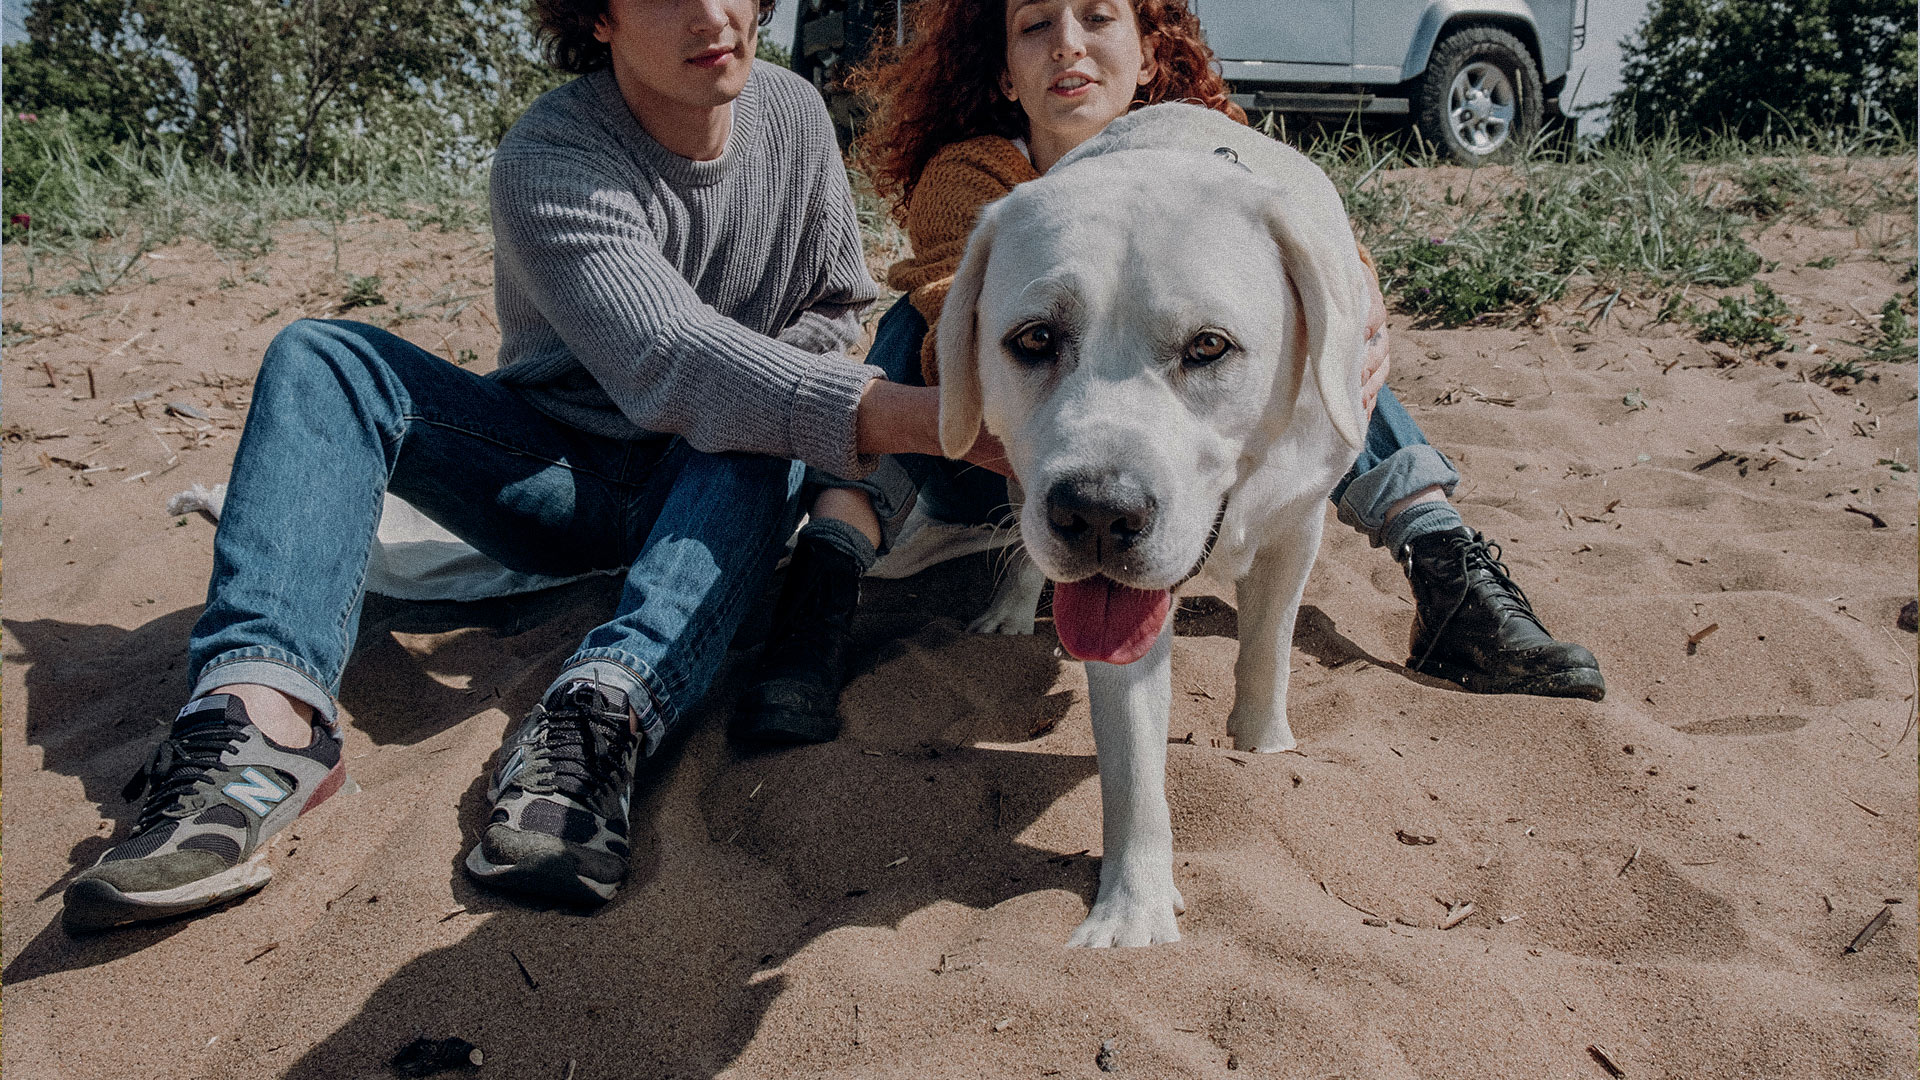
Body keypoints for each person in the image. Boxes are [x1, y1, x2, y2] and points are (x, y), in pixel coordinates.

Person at [62, 0, 1003, 930]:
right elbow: (665, 358)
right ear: (599, 18)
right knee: (324, 358)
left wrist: (758, 384)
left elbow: (836, 307)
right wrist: (935, 421)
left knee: (751, 425)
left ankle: (600, 714)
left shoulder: (793, 114)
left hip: (722, 484)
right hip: (559, 476)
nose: (712, 14)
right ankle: (261, 721)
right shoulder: (551, 155)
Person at [732, 0, 1605, 747]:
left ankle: (1440, 555)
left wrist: (1358, 301)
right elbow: (948, 325)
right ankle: (825, 580)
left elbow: (1314, 238)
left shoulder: (1204, 169)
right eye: (1035, 25)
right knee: (909, 327)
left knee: (1292, 338)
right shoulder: (977, 175)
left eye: (1098, 17)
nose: (1068, 43)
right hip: (983, 456)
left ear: (1148, 51)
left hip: (1148, 464)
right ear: (1002, 73)